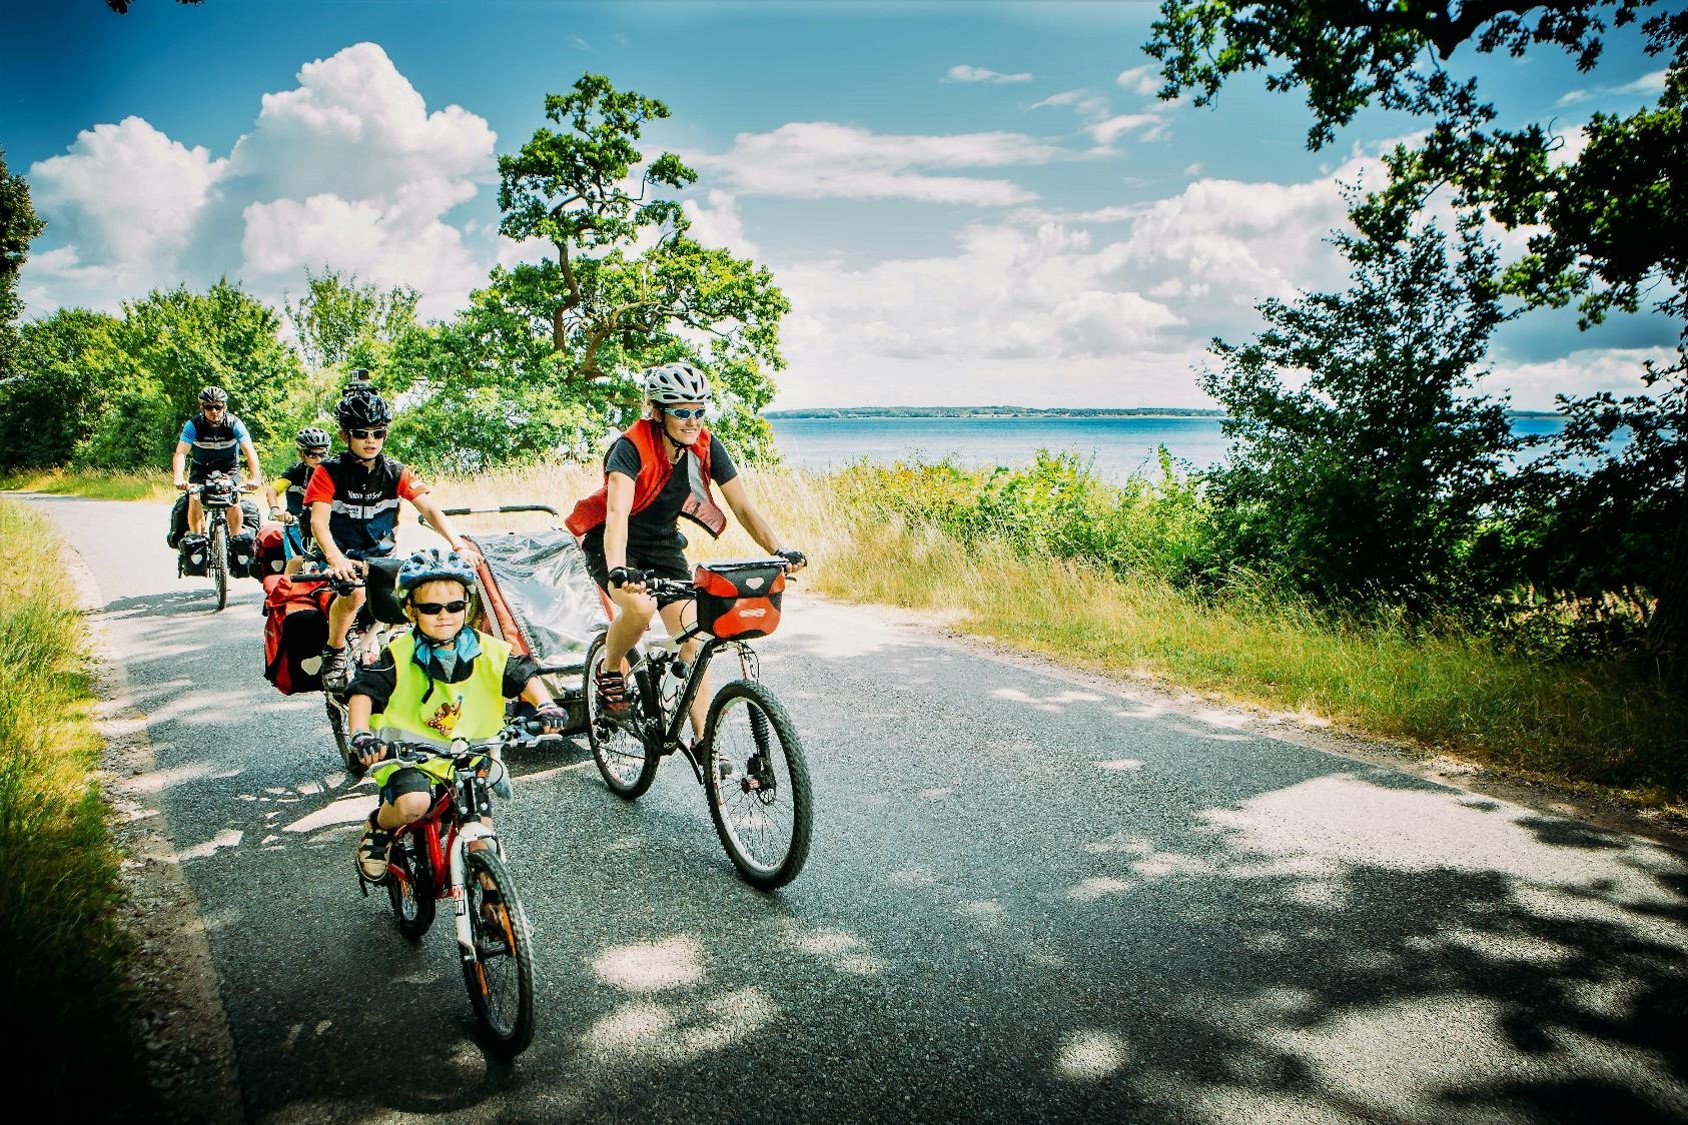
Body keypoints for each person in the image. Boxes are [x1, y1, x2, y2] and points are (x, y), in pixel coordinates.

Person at [565, 361, 806, 742]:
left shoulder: (706, 447)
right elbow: (616, 514)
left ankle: (703, 742)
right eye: (681, 412)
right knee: (640, 608)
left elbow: (743, 508)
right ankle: (610, 669)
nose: (692, 421)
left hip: (662, 544)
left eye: (699, 411)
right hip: (613, 543)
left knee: (696, 633)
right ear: (658, 413)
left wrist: (780, 549)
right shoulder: (631, 448)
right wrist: (617, 570)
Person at [344, 548, 568, 880]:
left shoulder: (489, 650)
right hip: (409, 758)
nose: (444, 615)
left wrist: (546, 706)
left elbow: (524, 675)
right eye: (431, 608)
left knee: (482, 836)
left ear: (468, 604)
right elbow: (364, 692)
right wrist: (361, 733)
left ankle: (497, 904)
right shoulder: (398, 654)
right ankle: (379, 828)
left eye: (455, 606)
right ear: (410, 610)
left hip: (468, 757)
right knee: (412, 805)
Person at [304, 386, 480, 691]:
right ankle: (334, 651)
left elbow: (429, 508)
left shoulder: (395, 471)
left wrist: (458, 544)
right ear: (345, 436)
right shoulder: (328, 472)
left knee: (418, 598)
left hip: (379, 556)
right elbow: (319, 523)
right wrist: (335, 559)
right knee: (355, 595)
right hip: (338, 554)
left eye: (378, 432)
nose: (370, 440)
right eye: (361, 433)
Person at [172, 386, 263, 538]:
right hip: (201, 469)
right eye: (209, 407)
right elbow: (181, 453)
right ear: (202, 408)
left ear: (224, 407)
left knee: (234, 500)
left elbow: (249, 451)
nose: (214, 411)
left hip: (229, 469)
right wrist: (178, 478)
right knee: (194, 497)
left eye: (218, 406)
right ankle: (197, 538)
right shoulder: (193, 425)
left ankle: (235, 540)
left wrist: (255, 478)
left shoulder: (234, 424)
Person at [264, 426, 331, 572]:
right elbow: (273, 490)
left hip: (325, 526)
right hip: (296, 524)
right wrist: (276, 510)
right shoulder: (294, 472)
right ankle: (286, 593)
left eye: (322, 454)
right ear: (301, 454)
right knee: (296, 560)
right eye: (312, 455)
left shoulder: (333, 472)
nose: (318, 459)